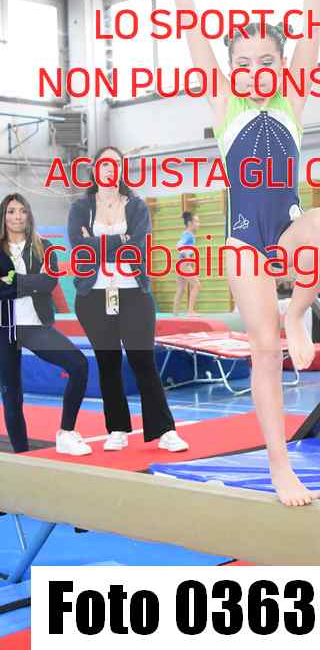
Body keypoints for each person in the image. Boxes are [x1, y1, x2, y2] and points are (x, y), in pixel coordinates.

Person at [164, 0, 320, 506]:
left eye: (267, 59)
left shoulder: (293, 99)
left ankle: (299, 311)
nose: (256, 69)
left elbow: (313, 28)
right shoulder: (224, 104)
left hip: (288, 232)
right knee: (264, 355)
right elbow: (191, 30)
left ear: (281, 63)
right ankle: (279, 466)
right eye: (243, 61)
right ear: (232, 68)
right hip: (245, 244)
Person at [68, 146, 189, 452]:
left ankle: (165, 430)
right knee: (108, 362)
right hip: (94, 296)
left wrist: (97, 243)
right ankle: (117, 428)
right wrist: (118, 240)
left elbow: (137, 248)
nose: (110, 169)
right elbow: (79, 248)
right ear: (95, 169)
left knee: (142, 360)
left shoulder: (136, 206)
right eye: (104, 164)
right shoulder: (80, 208)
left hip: (133, 292)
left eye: (116, 164)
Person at [0, 193, 91, 455]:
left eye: (22, 211)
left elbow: (49, 282)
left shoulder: (44, 246)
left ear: (29, 214)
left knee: (79, 365)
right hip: (5, 328)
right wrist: (30, 283)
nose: (17, 216)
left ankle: (66, 432)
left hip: (34, 326)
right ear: (3, 216)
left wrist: (12, 282)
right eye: (11, 211)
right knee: (12, 396)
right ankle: (22, 455)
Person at [173, 211, 200, 314]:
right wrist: (187, 256)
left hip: (180, 263)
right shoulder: (189, 235)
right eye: (196, 221)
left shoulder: (186, 234)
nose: (198, 224)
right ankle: (190, 310)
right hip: (184, 263)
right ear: (190, 223)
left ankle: (175, 312)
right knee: (197, 285)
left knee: (181, 288)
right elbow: (179, 245)